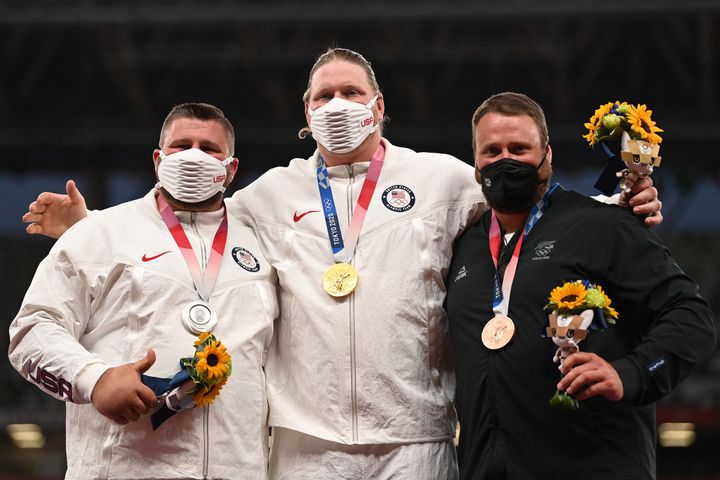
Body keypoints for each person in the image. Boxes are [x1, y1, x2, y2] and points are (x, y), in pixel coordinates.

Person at [21, 49, 663, 479]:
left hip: (414, 437)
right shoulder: (268, 195)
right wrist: (93, 231)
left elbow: (526, 202)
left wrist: (621, 200)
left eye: (351, 92)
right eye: (323, 96)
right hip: (304, 444)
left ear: (379, 106)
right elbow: (188, 225)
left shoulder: (441, 179)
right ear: (306, 113)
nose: (338, 105)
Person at [446, 92, 716, 479]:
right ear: (476, 165)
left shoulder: (602, 225)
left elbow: (692, 317)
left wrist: (633, 372)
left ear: (547, 155)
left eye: (520, 148)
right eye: (492, 151)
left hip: (593, 467)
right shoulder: (462, 246)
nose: (505, 159)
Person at [10, 103, 278, 479]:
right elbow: (32, 331)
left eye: (209, 148)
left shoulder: (264, 245)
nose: (193, 157)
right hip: (124, 469)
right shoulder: (100, 233)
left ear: (231, 169)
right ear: (158, 160)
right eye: (180, 146)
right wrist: (94, 378)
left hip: (238, 469)